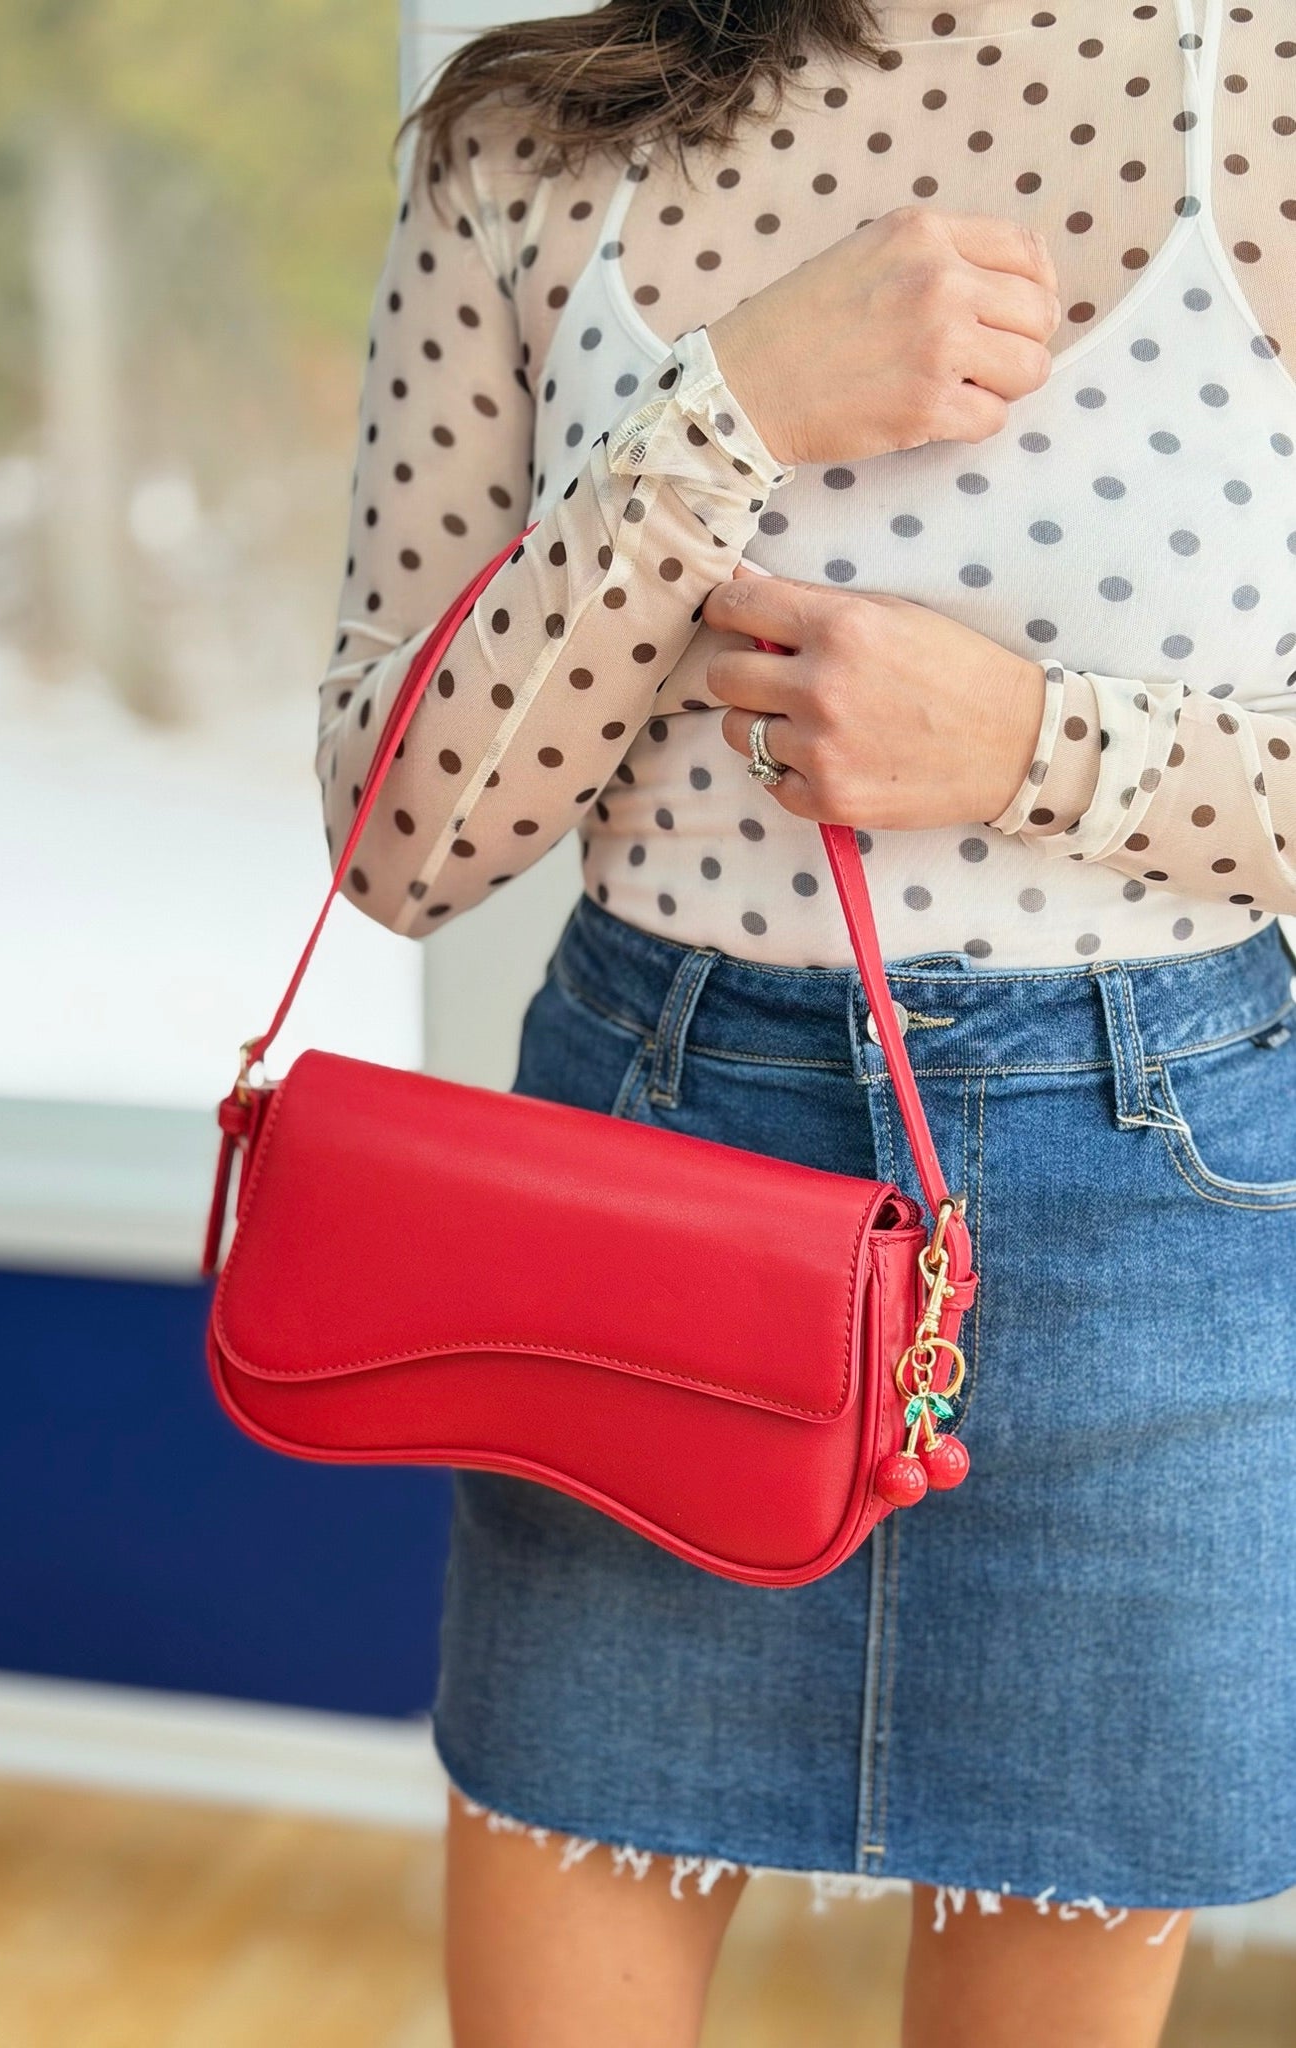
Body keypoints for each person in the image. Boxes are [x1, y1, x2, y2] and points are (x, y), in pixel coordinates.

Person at [314, 2, 1296, 2041]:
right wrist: (730, 404)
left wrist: (1035, 746)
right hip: (643, 1200)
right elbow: (403, 836)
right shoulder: (529, 133)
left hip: (1153, 1224)